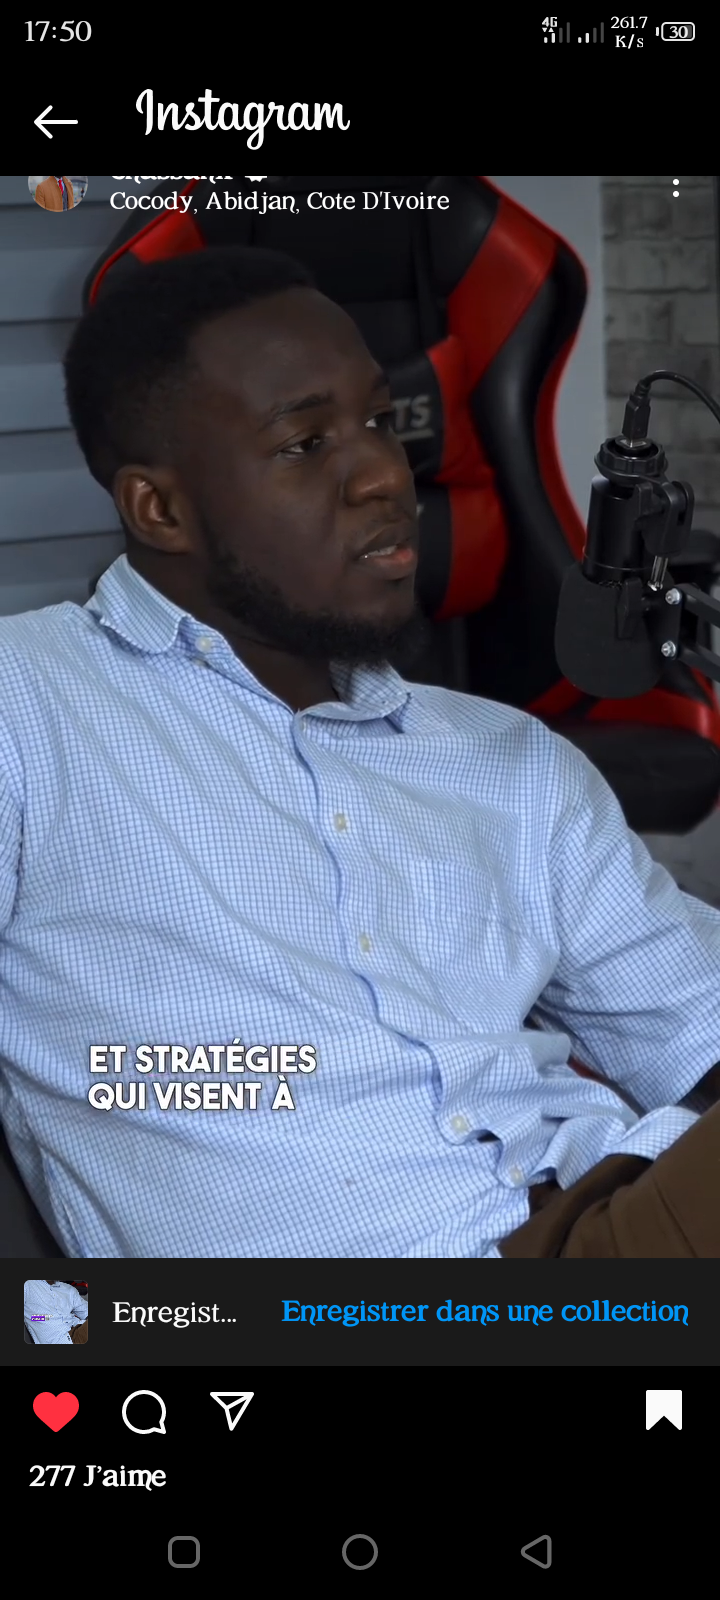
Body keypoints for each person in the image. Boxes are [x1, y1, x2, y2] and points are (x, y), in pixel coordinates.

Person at [0, 245, 719, 1261]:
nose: (386, 475)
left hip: (604, 1220)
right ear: (161, 509)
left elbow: (696, 1026)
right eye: (304, 444)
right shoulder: (30, 706)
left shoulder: (510, 761)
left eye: (382, 422)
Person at [24, 1279, 88, 1344]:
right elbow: (35, 1318)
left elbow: (86, 1311)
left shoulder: (69, 1290)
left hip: (78, 1328)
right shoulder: (28, 1285)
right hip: (63, 1340)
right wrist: (44, 1318)